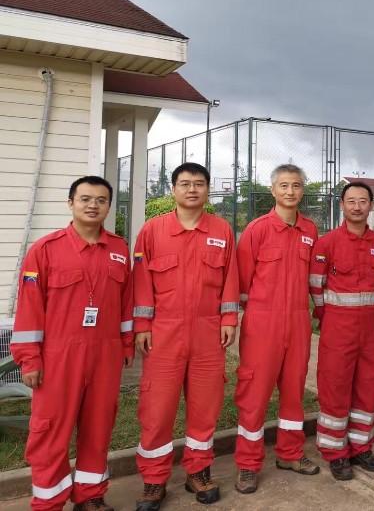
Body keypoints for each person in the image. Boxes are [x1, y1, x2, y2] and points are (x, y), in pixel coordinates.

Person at [11, 176, 133, 511]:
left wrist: (126, 344)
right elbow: (29, 309)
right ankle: (48, 502)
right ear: (71, 203)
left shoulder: (119, 249)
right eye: (85, 199)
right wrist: (30, 358)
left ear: (109, 206)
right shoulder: (45, 250)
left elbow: (126, 302)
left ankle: (90, 496)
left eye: (101, 200)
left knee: (98, 428)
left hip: (105, 353)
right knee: (50, 431)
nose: (93, 205)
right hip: (59, 355)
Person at [132, 163, 239, 509]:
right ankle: (154, 480)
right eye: (185, 183)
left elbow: (231, 277)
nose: (192, 189)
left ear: (207, 189)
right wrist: (143, 325)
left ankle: (198, 472)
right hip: (164, 334)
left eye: (199, 184)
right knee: (157, 409)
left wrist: (228, 318)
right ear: (173, 189)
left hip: (208, 333)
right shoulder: (152, 231)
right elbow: (141, 282)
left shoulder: (222, 230)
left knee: (205, 407)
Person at [234, 164, 320, 494]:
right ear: (273, 190)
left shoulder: (309, 230)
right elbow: (242, 283)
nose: (290, 191)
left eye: (296, 185)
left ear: (302, 190)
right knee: (254, 394)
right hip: (262, 322)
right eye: (283, 185)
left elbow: (313, 279)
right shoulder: (257, 230)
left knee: (294, 391)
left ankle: (290, 453)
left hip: (298, 322)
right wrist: (256, 315)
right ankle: (247, 464)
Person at [310, 182, 374, 481]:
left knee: (368, 386)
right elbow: (316, 287)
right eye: (351, 201)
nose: (357, 206)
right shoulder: (327, 243)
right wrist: (327, 317)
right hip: (338, 327)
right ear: (342, 205)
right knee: (335, 386)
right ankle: (335, 452)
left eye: (363, 201)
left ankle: (361, 447)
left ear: (371, 206)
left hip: (370, 327)